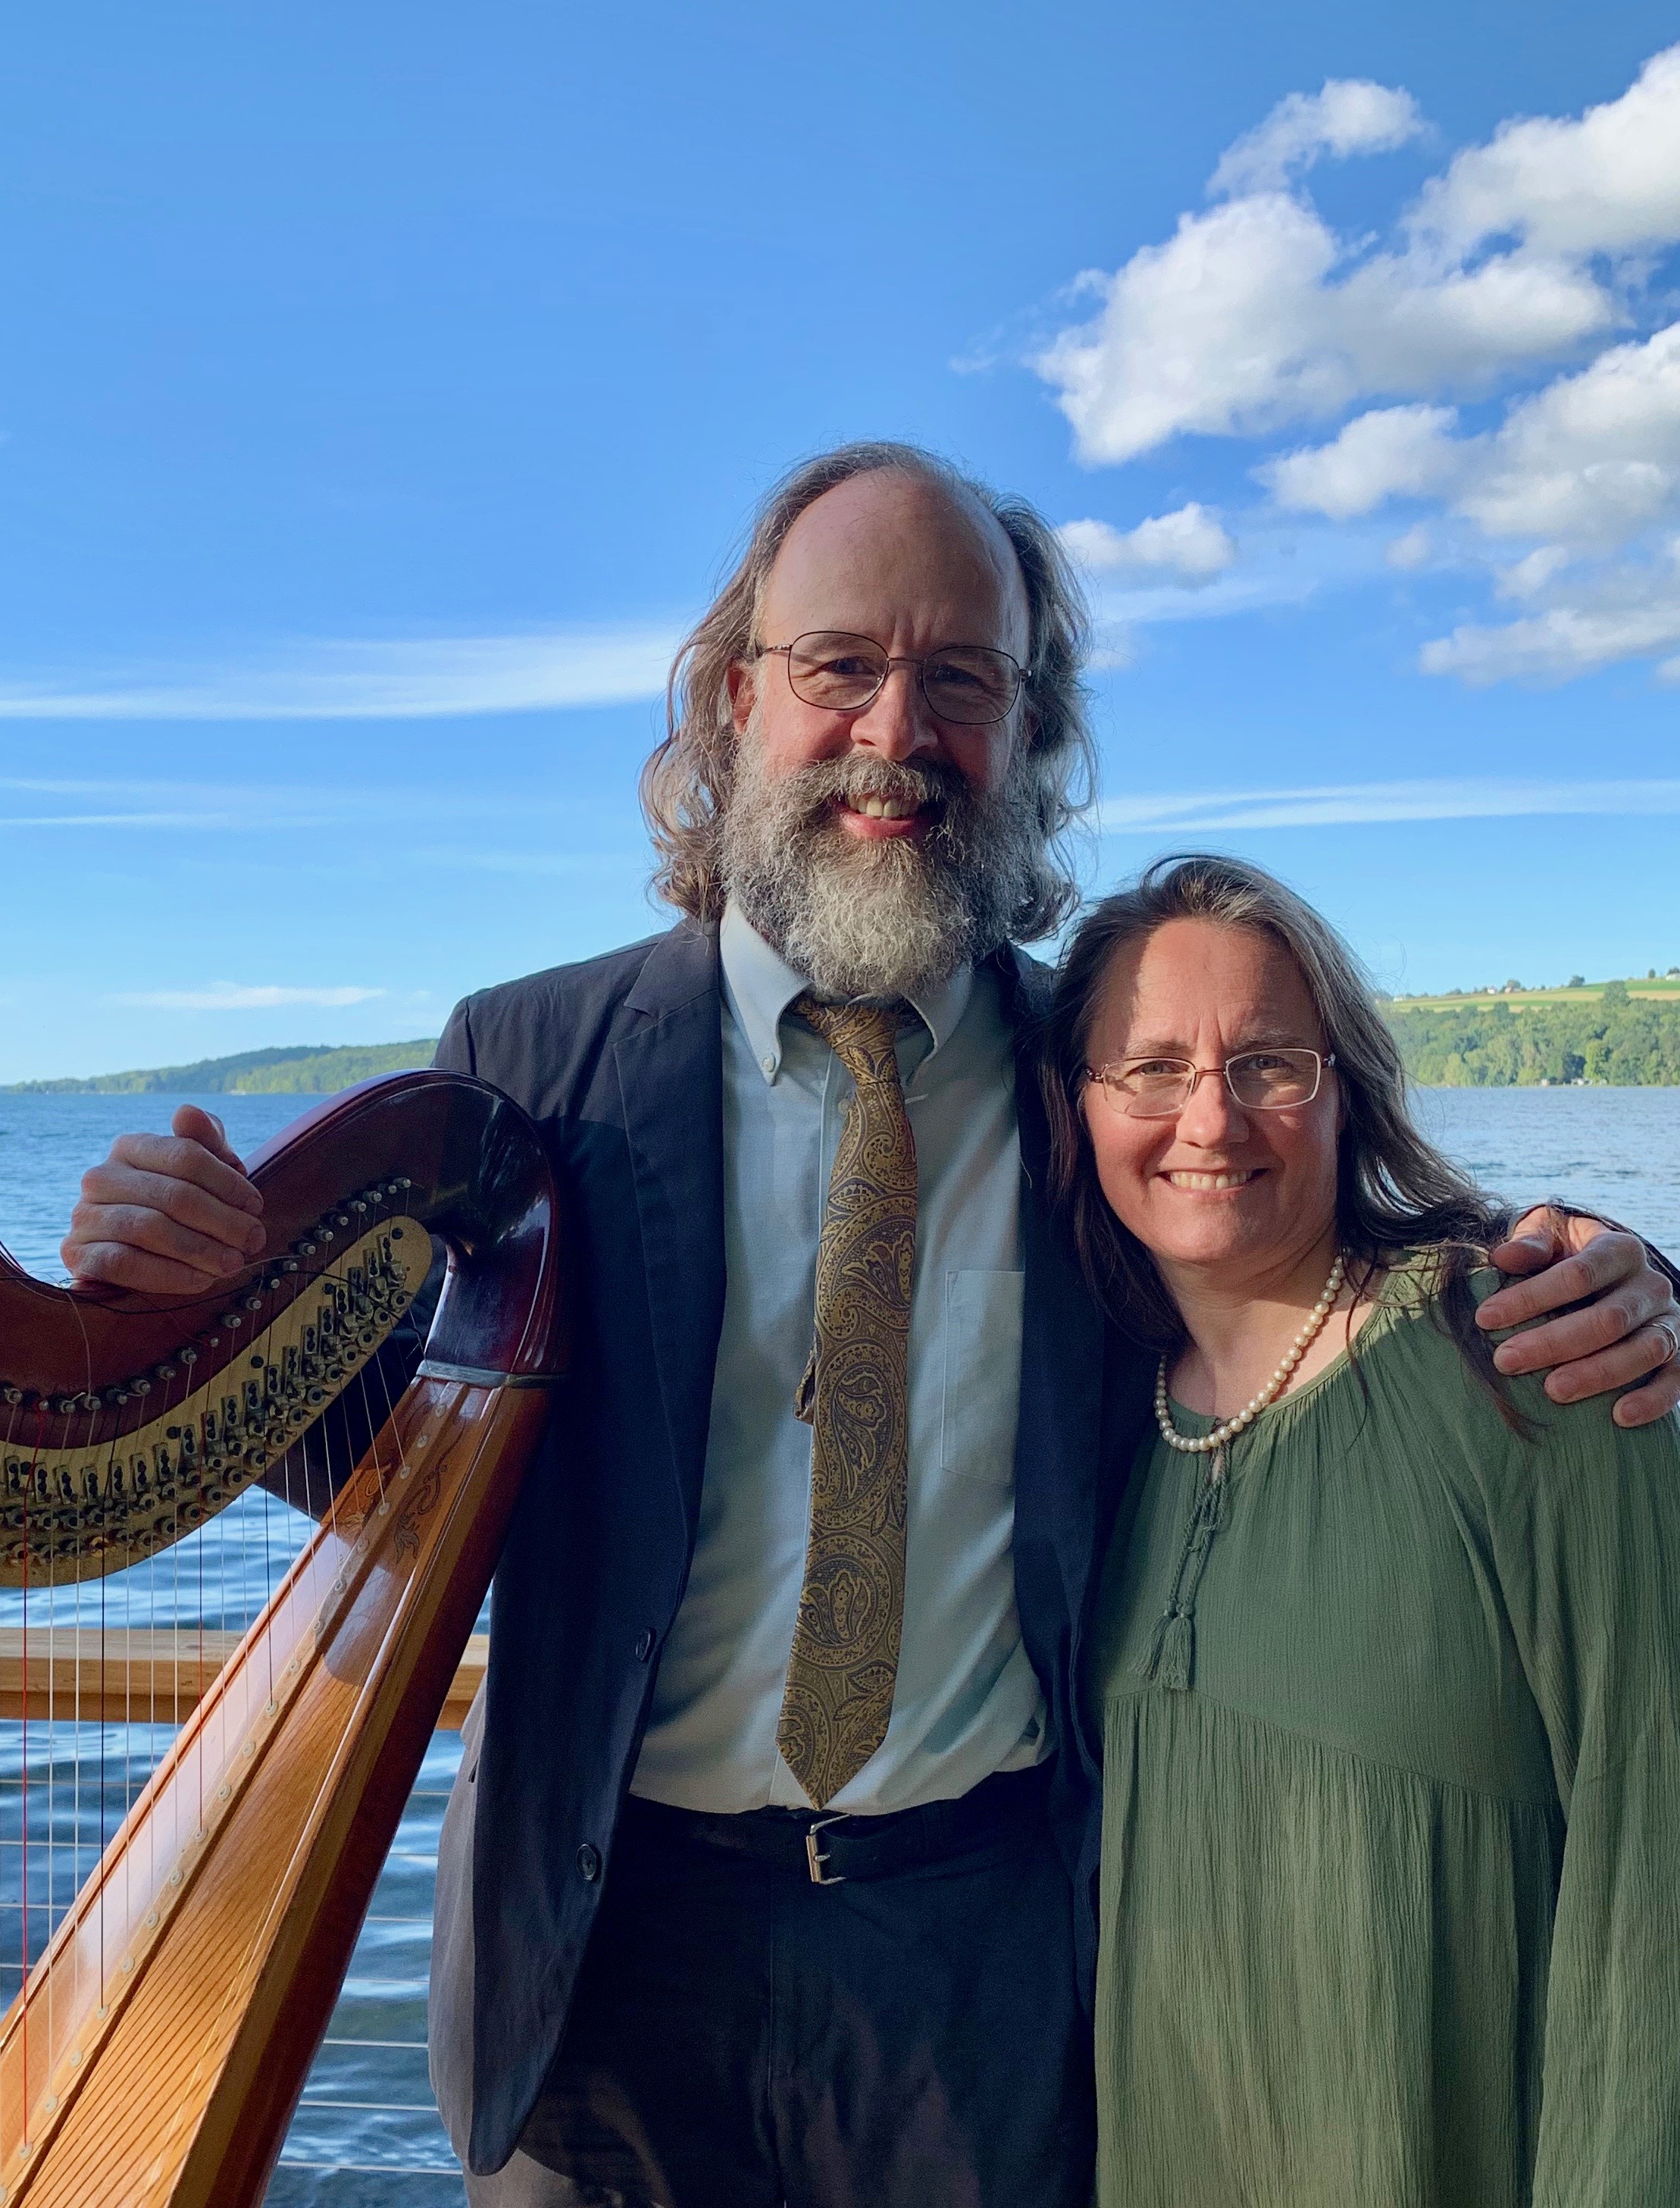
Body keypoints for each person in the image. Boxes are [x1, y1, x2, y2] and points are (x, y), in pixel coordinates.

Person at [61, 446, 1680, 2208]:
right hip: (602, 1960)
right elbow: (413, 1468)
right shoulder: (527, 1060)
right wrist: (188, 1315)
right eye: (839, 664)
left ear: (1026, 732)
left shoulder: (1099, 1072)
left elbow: (1299, 1258)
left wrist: (1609, 1267)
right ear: (735, 695)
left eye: (958, 679)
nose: (892, 729)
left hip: (977, 1967)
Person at [1043, 852, 1680, 2208]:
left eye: (1269, 1062)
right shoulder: (1094, 1411)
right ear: (1079, 1109)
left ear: (1348, 1092)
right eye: (1149, 1068)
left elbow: (1657, 1866)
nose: (1209, 1118)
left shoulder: (1528, 1367)